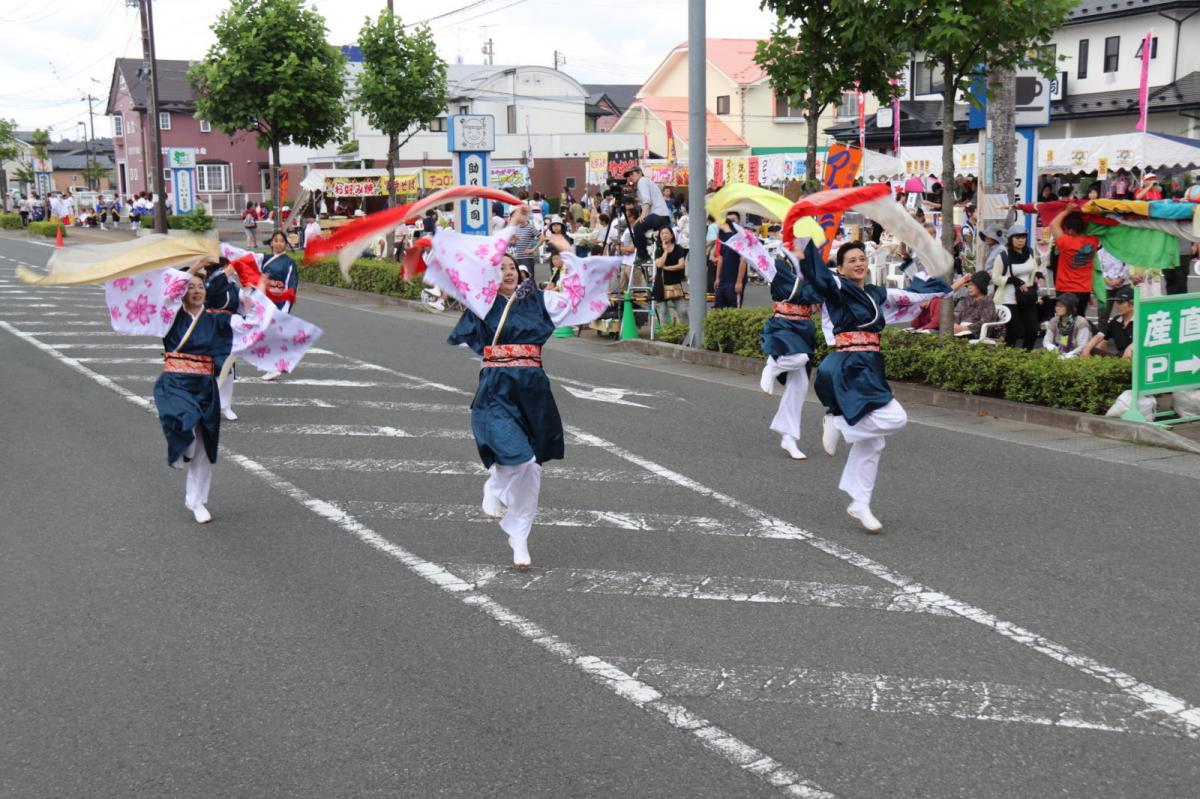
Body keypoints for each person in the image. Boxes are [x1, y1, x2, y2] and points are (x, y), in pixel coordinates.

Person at [430, 227, 620, 568]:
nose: (506, 272)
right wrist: (507, 229)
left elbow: (576, 294)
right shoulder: (482, 302)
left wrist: (569, 251)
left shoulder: (540, 300)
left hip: (533, 391)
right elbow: (457, 270)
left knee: (533, 470)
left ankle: (520, 539)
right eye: (499, 267)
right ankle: (494, 488)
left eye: (511, 268)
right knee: (519, 458)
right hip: (495, 389)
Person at [799, 240, 947, 532]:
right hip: (849, 366)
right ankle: (838, 422)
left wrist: (942, 286)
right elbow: (818, 278)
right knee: (896, 418)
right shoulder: (838, 288)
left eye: (862, 258)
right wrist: (804, 242)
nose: (859, 263)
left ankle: (860, 502)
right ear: (840, 268)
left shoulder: (876, 292)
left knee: (874, 442)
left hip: (870, 365)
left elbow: (907, 295)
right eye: (851, 260)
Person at [201, 259, 243, 420]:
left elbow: (244, 306)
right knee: (209, 366)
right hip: (210, 327)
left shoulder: (233, 288)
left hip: (227, 329)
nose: (231, 270)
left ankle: (225, 405)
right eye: (225, 268)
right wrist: (225, 273)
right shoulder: (209, 283)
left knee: (228, 367)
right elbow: (211, 291)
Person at [990, 224, 1040, 349]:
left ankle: (1025, 357)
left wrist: (1036, 283)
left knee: (1033, 330)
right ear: (1010, 239)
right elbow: (995, 278)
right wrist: (1013, 280)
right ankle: (1009, 359)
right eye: (1017, 237)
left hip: (1027, 297)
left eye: (1023, 237)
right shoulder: (1003, 256)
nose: (1020, 240)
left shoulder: (1030, 253)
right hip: (1008, 299)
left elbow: (1033, 272)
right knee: (1014, 333)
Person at [1048, 206, 1100, 320]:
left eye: (1065, 229)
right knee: (1079, 320)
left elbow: (1053, 224)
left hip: (1065, 289)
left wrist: (1067, 210)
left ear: (1070, 231)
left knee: (1065, 321)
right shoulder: (1093, 242)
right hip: (1084, 290)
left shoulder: (1066, 242)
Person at [625, 166, 670, 265]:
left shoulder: (642, 181)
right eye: (629, 176)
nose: (631, 177)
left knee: (637, 227)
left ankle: (643, 256)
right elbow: (644, 200)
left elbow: (647, 201)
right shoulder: (644, 183)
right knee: (639, 226)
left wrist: (643, 216)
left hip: (659, 215)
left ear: (640, 173)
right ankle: (647, 253)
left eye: (632, 174)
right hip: (662, 217)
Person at [1082, 287, 1134, 358]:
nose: (1117, 306)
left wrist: (1131, 348)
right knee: (1092, 350)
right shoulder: (1116, 320)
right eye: (1117, 303)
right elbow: (1100, 335)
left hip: (1136, 360)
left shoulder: (1141, 320)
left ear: (1132, 304)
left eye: (1121, 302)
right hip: (1119, 358)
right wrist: (1087, 349)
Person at [652, 226, 687, 326]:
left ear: (672, 235)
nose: (664, 235)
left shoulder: (678, 248)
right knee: (663, 313)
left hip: (675, 284)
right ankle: (667, 337)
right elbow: (659, 264)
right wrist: (666, 251)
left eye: (666, 233)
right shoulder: (658, 250)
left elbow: (681, 265)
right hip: (661, 285)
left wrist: (667, 268)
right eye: (662, 233)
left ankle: (686, 334)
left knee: (682, 311)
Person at [951, 271, 1003, 339]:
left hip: (977, 332)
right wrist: (955, 325)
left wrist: (964, 328)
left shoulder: (987, 301)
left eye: (972, 285)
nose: (969, 287)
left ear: (980, 286)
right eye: (968, 285)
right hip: (961, 329)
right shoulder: (968, 299)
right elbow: (959, 316)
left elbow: (984, 322)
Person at [713, 212, 747, 308]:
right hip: (723, 281)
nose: (731, 223)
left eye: (733, 220)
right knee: (719, 309)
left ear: (739, 221)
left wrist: (739, 281)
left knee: (734, 310)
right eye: (728, 221)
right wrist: (717, 278)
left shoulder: (741, 238)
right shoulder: (724, 238)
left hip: (734, 281)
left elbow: (743, 260)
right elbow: (720, 259)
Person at [509, 204, 540, 281]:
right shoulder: (515, 228)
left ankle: (534, 293)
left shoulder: (530, 227)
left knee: (529, 278)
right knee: (519, 278)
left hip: (527, 257)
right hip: (516, 256)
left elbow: (542, 238)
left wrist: (533, 249)